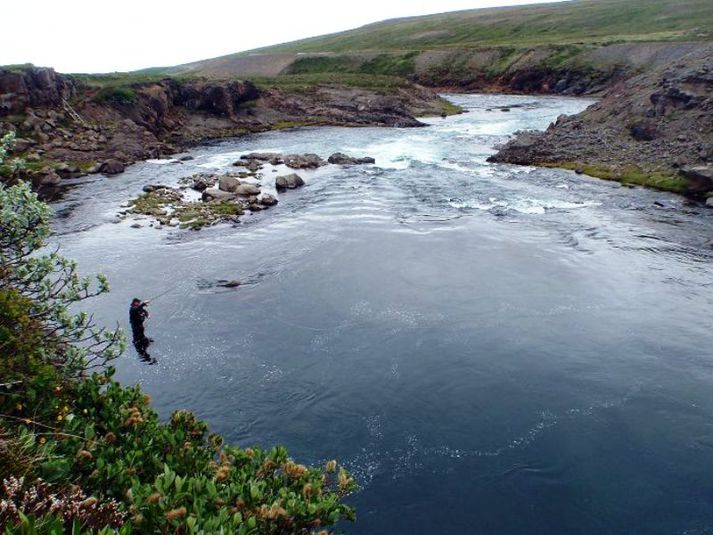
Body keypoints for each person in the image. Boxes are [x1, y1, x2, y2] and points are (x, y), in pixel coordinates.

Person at [129, 298, 154, 363]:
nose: (139, 303)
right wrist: (143, 303)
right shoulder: (132, 309)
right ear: (134, 303)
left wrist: (147, 315)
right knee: (138, 338)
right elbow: (137, 309)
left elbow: (144, 311)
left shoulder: (139, 308)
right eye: (138, 302)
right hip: (136, 327)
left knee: (143, 337)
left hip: (140, 326)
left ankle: (143, 343)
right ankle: (142, 353)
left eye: (139, 303)